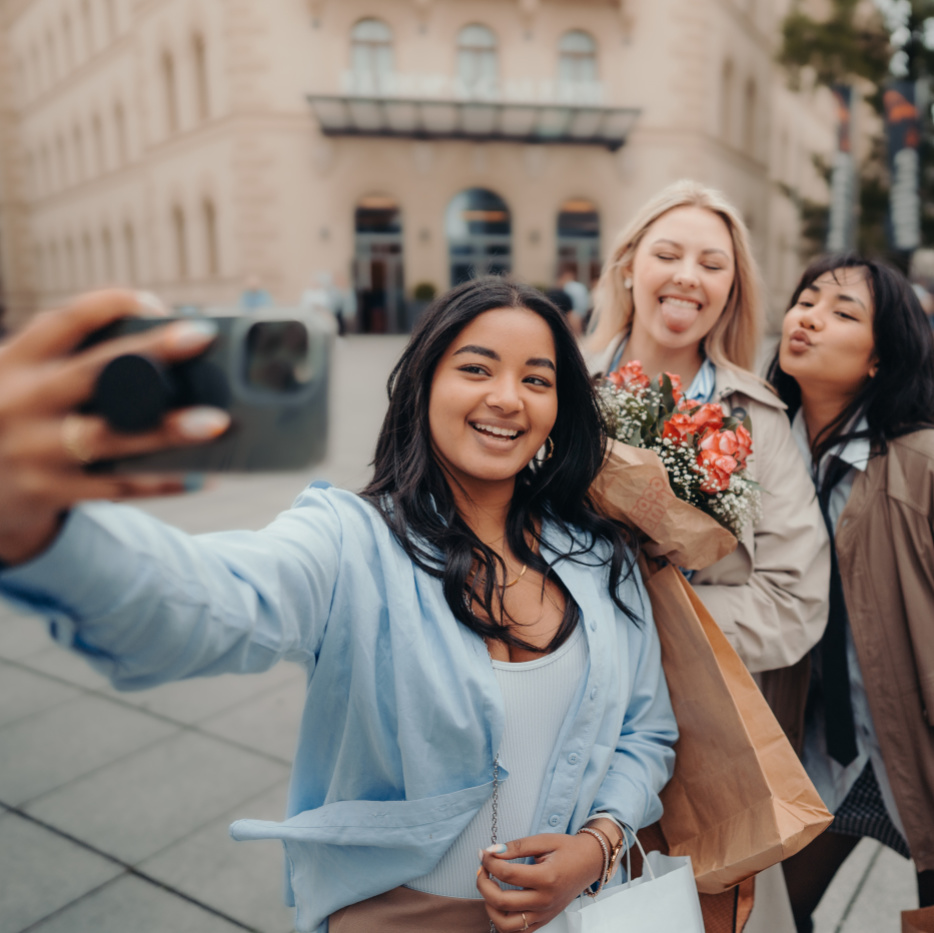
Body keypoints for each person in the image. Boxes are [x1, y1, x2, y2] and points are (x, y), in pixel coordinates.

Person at [0, 278, 677, 933]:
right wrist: (43, 534)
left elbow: (646, 732)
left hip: (571, 913)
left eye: (536, 379)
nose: (508, 398)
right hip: (394, 914)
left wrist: (595, 846)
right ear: (425, 385)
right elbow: (213, 601)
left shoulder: (598, 558)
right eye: (476, 368)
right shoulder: (352, 539)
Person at [583, 179, 830, 679]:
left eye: (713, 266)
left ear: (731, 289)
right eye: (668, 256)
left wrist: (650, 628)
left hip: (692, 707)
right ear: (629, 267)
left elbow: (794, 598)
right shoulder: (558, 388)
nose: (688, 277)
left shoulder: (757, 417)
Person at [764, 254, 934, 932]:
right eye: (806, 299)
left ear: (879, 358)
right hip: (817, 755)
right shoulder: (753, 457)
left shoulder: (919, 465)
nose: (811, 317)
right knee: (766, 916)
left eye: (843, 312)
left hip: (914, 750)